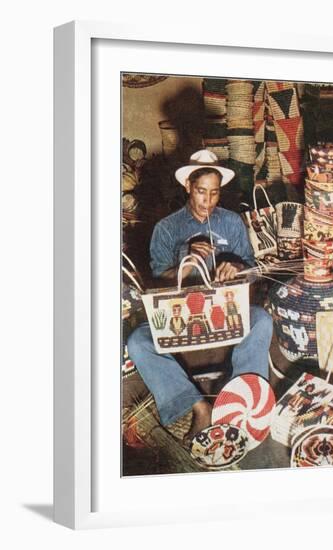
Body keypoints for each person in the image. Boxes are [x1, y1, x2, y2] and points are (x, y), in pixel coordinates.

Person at [127, 150, 273, 444]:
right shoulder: (167, 228)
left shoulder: (231, 222)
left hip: (225, 313)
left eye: (215, 193)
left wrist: (238, 266)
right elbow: (157, 281)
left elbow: (253, 269)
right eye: (201, 191)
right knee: (138, 342)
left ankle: (243, 398)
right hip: (182, 317)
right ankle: (198, 406)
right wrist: (187, 259)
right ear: (187, 187)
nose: (208, 201)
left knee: (262, 321)